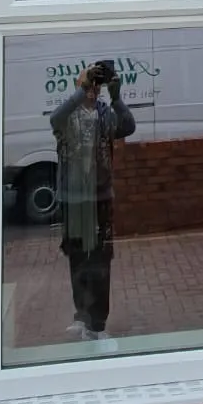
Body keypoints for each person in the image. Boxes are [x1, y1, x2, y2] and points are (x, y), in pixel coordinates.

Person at [49, 60, 135, 343]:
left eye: (94, 85)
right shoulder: (68, 114)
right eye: (88, 83)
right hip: (73, 200)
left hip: (99, 199)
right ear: (78, 85)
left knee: (99, 262)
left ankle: (97, 325)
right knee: (77, 260)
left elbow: (128, 126)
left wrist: (117, 96)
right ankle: (82, 316)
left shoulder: (104, 114)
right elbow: (55, 119)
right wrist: (82, 86)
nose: (91, 89)